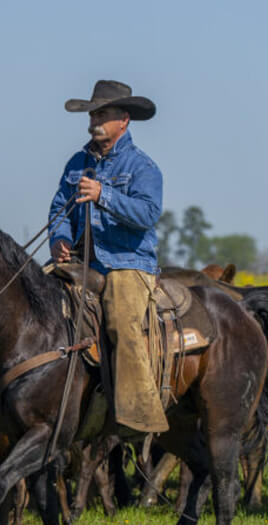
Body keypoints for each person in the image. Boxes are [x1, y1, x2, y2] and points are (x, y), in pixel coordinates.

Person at [47, 80, 168, 433]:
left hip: (127, 262)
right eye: (93, 113)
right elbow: (59, 208)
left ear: (124, 120)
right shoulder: (77, 161)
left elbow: (147, 214)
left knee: (120, 322)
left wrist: (103, 195)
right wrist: (60, 239)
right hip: (81, 261)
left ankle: (138, 417)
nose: (95, 119)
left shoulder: (143, 166)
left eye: (103, 113)